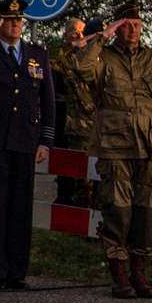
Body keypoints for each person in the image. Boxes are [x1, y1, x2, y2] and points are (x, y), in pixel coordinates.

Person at [69, 2, 152, 298]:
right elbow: (81, 66)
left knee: (145, 214)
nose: (134, 30)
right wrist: (104, 34)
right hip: (115, 147)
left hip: (149, 149)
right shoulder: (103, 58)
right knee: (118, 212)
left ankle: (140, 274)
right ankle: (120, 276)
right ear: (118, 27)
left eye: (138, 25)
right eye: (127, 25)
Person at [0, 0, 54, 291]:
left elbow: (46, 100)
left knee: (20, 208)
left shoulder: (37, 55)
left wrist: (45, 139)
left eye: (18, 20)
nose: (15, 25)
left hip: (25, 140)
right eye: (8, 20)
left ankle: (17, 270)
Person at [53, 15, 98, 208]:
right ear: (65, 35)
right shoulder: (60, 58)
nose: (80, 35)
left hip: (91, 124)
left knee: (91, 174)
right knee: (70, 172)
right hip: (68, 122)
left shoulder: (92, 59)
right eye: (75, 32)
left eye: (82, 31)